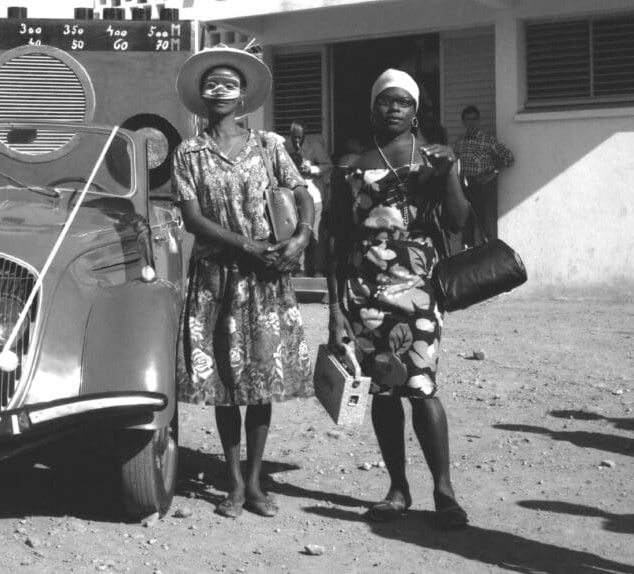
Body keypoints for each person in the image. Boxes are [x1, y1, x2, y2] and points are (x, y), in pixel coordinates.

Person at [172, 47, 315, 519]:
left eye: (228, 84)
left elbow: (301, 192)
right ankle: (232, 481)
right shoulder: (188, 153)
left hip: (265, 280)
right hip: (217, 278)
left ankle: (254, 483)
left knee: (258, 384)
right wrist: (246, 244)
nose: (219, 92)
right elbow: (192, 218)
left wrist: (302, 235)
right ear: (200, 94)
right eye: (211, 84)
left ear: (244, 95)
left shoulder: (270, 146)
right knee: (227, 385)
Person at [327, 68, 470, 529]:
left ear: (415, 111)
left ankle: (443, 491)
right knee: (385, 390)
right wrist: (334, 308)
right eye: (385, 101)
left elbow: (457, 220)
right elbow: (337, 240)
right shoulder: (352, 165)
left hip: (418, 288)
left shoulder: (434, 160)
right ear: (373, 108)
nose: (393, 108)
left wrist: (449, 173)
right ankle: (397, 488)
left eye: (402, 102)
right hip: (364, 292)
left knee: (422, 385)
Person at [454, 104, 514, 246]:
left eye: (474, 119)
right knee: (467, 223)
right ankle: (469, 257)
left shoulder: (487, 140)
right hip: (465, 186)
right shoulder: (460, 142)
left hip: (483, 186)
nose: (471, 122)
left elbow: (509, 158)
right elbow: (455, 162)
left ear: (479, 121)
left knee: (485, 224)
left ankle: (489, 257)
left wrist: (493, 173)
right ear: (464, 122)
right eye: (468, 119)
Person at [285, 122, 332, 276]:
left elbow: (328, 166)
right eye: (294, 138)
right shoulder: (285, 147)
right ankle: (300, 268)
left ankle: (319, 268)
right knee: (298, 231)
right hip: (294, 196)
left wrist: (312, 169)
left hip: (314, 195)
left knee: (315, 233)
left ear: (305, 135)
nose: (297, 141)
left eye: (299, 138)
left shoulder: (315, 146)